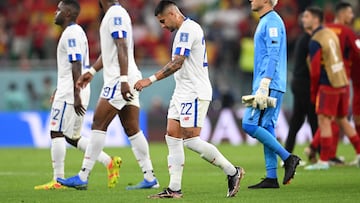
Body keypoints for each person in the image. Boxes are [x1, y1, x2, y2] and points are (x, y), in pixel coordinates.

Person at [134, 0, 244, 198]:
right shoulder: (184, 30)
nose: (162, 26)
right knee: (172, 136)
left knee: (191, 140)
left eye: (162, 21)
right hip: (182, 90)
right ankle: (174, 188)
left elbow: (177, 63)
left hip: (194, 91)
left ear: (172, 14)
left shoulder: (187, 30)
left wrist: (149, 80)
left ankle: (232, 172)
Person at [57, 0, 159, 190]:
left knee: (98, 123)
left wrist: (122, 80)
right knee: (132, 129)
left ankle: (83, 176)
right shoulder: (115, 14)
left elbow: (121, 45)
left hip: (120, 80)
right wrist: (92, 72)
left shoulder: (115, 15)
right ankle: (150, 177)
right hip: (126, 76)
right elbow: (111, 51)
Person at [34, 0, 121, 190]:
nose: (55, 13)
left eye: (58, 10)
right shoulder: (78, 32)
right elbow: (71, 65)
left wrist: (74, 93)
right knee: (72, 136)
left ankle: (58, 180)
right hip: (72, 88)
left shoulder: (71, 33)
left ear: (67, 13)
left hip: (72, 90)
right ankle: (109, 162)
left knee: (56, 131)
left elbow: (75, 63)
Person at [241, 0, 301, 189]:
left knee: (249, 124)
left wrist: (265, 82)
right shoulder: (266, 20)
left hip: (269, 83)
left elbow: (274, 53)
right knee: (266, 126)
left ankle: (288, 157)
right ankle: (271, 177)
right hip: (267, 82)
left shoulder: (272, 21)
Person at [302, 6, 360, 170]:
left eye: (306, 16)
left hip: (328, 84)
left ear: (316, 19)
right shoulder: (330, 34)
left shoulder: (316, 40)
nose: (303, 19)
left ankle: (324, 160)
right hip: (342, 81)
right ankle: (359, 152)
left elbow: (315, 71)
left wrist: (313, 93)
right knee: (341, 119)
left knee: (324, 120)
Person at [284, 23, 318, 155]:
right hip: (306, 85)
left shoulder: (302, 38)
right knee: (313, 119)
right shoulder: (310, 40)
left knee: (297, 120)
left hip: (298, 83)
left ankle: (287, 153)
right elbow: (311, 62)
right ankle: (318, 154)